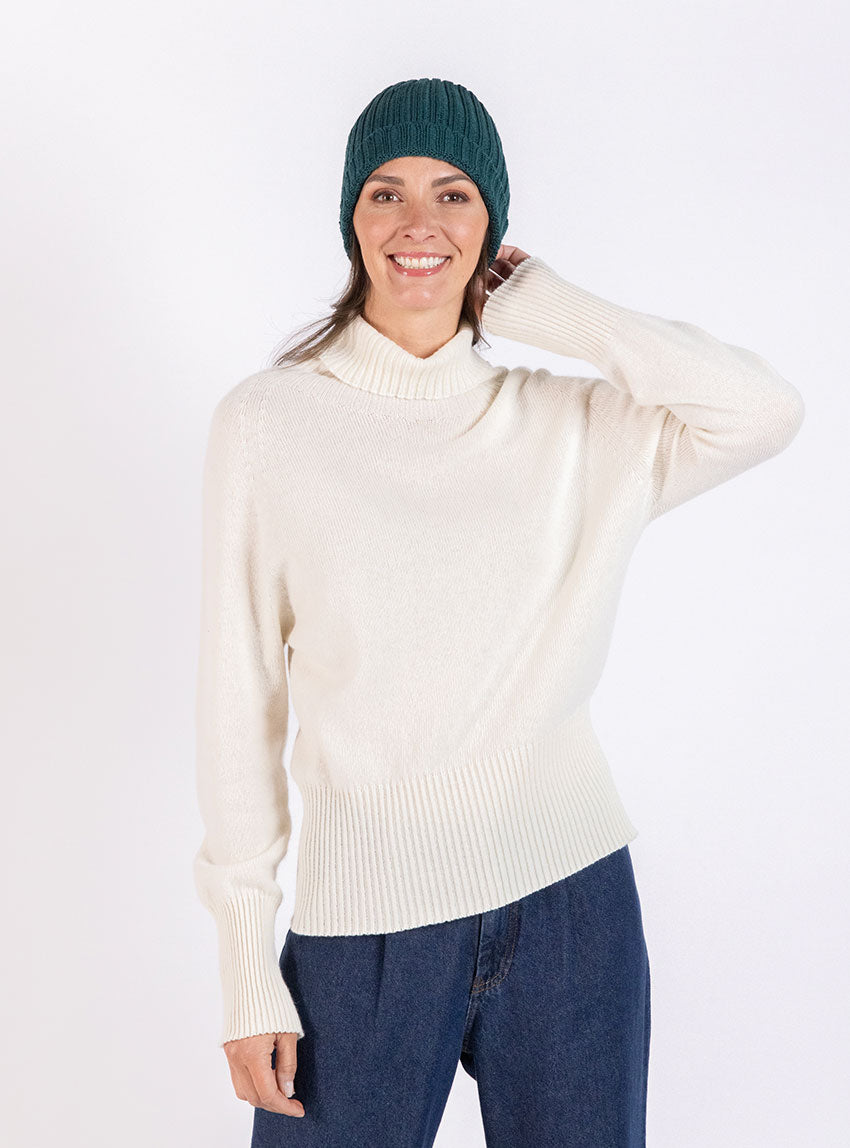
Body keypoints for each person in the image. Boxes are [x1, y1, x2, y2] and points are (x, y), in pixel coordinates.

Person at [192, 77, 805, 1147]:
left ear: (493, 225)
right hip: (363, 926)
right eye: (385, 193)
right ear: (350, 217)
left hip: (570, 903)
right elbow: (237, 697)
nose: (417, 223)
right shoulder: (269, 424)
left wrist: (547, 307)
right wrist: (248, 959)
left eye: (454, 195)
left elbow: (763, 409)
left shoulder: (576, 431)